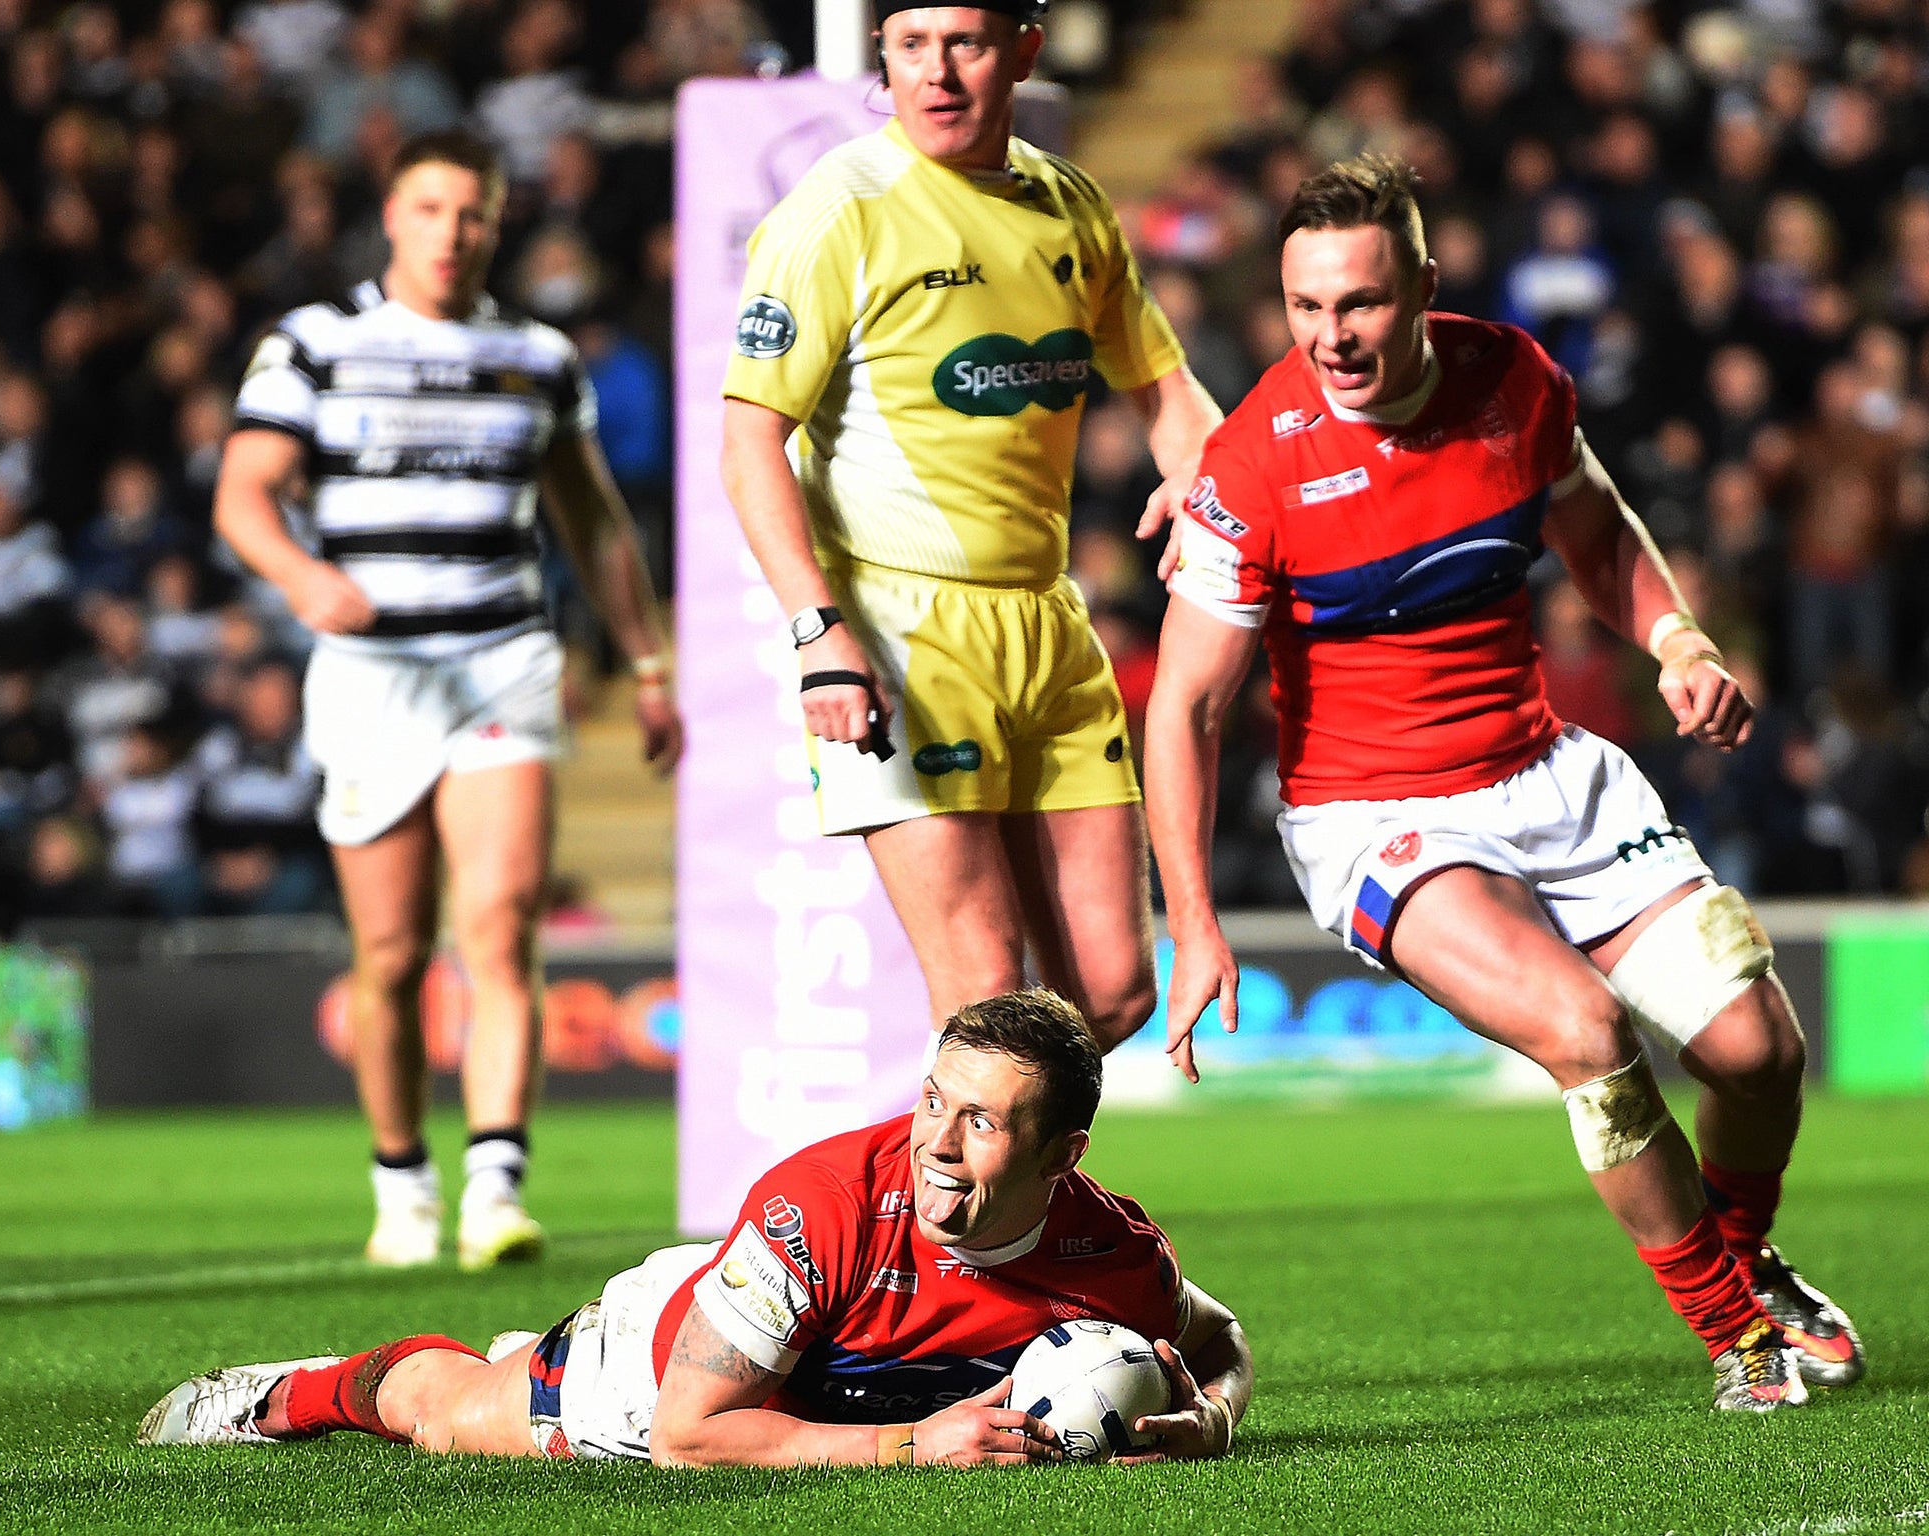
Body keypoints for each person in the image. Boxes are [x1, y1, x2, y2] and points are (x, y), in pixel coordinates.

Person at [1142, 155, 1862, 1413]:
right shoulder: (1252, 463)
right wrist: (1192, 920)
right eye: (1305, 307)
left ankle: (1739, 1265)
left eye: (1357, 303)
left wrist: (1676, 638)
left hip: (1542, 772)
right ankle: (1738, 1343)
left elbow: (1591, 530)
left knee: (1754, 1049)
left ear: (1420, 285)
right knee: (1587, 1035)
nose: (1331, 336)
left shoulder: (1511, 382)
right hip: (1372, 815)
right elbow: (1185, 709)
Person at [213, 129, 680, 1272]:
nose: (450, 230)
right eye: (429, 208)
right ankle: (400, 1179)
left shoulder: (536, 355)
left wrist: (650, 662)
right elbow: (243, 496)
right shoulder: (316, 345)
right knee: (385, 953)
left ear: (496, 221)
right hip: (372, 677)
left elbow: (593, 521)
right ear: (393, 216)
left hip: (499, 661)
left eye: (470, 211)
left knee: (502, 922)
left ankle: (493, 1188)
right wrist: (300, 575)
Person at [138, 989, 1251, 1466]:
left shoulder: (1113, 1258)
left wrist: (1215, 1420)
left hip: (783, 1356)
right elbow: (688, 1437)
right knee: (447, 1416)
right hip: (661, 1366)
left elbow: (1219, 1341)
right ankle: (285, 1394)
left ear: (1062, 1159)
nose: (937, 1143)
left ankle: (520, 1354)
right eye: (930, 1100)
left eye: (981, 1121)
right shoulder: (824, 1207)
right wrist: (909, 1448)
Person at [720, 2, 1224, 1048]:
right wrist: (821, 635)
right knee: (985, 993)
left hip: (1045, 621)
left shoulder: (1068, 201)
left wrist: (1207, 486)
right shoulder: (838, 209)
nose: (937, 73)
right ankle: (944, 1213)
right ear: (884, 58)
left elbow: (1168, 395)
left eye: (966, 44)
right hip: (899, 631)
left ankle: (984, 1196)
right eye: (911, 46)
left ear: (1023, 50)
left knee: (1111, 995)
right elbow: (746, 445)